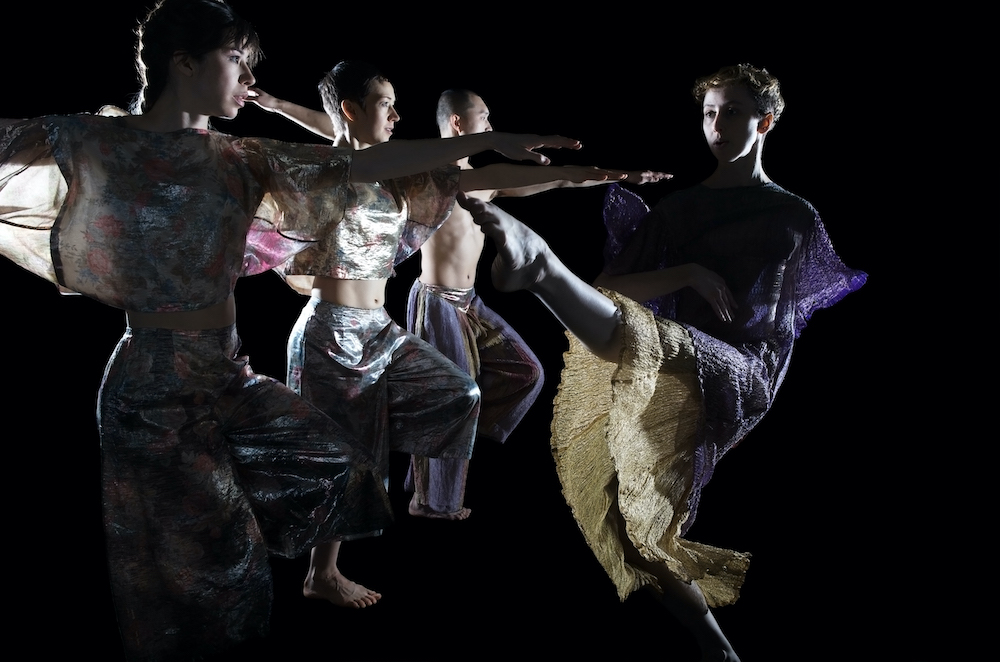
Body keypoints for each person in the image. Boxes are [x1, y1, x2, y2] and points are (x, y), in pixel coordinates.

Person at [0, 1, 580, 658]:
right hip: (149, 387)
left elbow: (360, 166)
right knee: (190, 579)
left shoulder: (241, 158)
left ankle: (287, 563)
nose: (247, 76)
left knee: (340, 472)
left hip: (225, 371)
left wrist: (480, 143)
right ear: (184, 65)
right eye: (234, 59)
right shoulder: (99, 142)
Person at [453, 64, 867, 661]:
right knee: (630, 526)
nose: (716, 124)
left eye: (731, 112)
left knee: (656, 343)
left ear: (766, 121)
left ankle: (540, 267)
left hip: (745, 372)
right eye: (708, 113)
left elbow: (792, 319)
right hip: (667, 362)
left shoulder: (794, 215)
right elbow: (609, 287)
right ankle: (718, 649)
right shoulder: (677, 211)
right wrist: (688, 272)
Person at [248, 74, 640, 528]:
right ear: (458, 121)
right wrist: (277, 105)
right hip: (389, 311)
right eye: (385, 106)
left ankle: (429, 451)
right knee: (351, 453)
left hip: (425, 311)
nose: (396, 116)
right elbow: (343, 136)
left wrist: (580, 175)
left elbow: (520, 180)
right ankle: (428, 498)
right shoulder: (392, 170)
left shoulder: (435, 178)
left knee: (500, 382)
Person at [405, 89, 669, 519]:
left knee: (526, 373)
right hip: (435, 303)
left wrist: (621, 176)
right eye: (484, 119)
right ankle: (433, 502)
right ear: (457, 124)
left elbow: (560, 178)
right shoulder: (433, 176)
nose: (490, 127)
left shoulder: (482, 181)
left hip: (469, 304)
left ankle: (437, 455)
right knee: (455, 399)